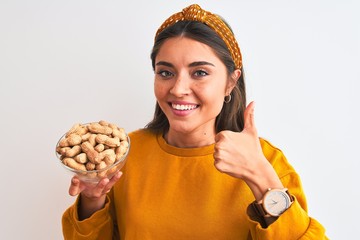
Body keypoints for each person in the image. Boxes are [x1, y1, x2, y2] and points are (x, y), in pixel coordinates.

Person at [62, 4, 328, 239]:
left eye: (199, 72)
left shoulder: (268, 161)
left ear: (230, 82)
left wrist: (260, 176)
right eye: (166, 72)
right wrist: (92, 200)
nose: (178, 89)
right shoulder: (125, 156)